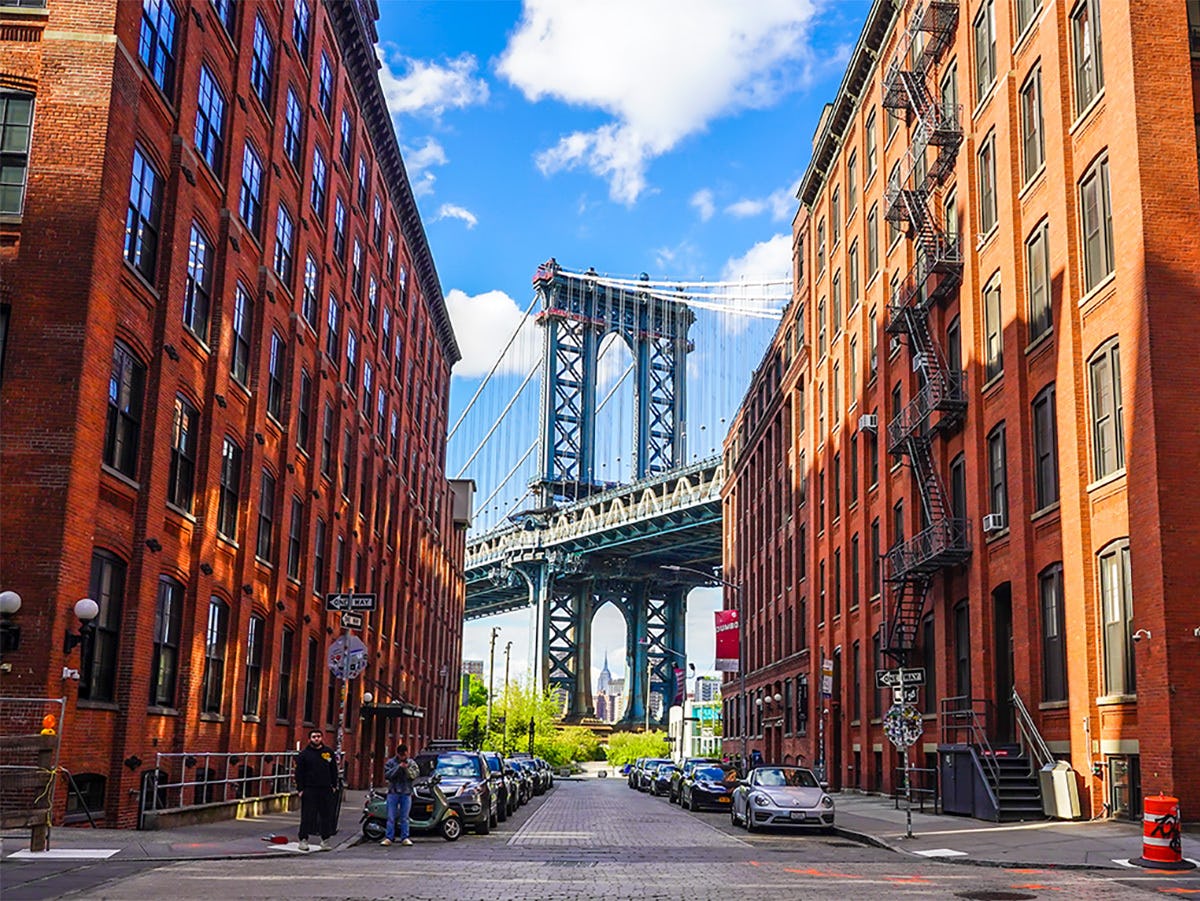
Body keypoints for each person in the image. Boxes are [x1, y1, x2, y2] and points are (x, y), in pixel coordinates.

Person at [295, 729, 339, 851]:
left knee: (326, 815)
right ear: (310, 739)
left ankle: (325, 840)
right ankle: (303, 839)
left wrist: (334, 785)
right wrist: (300, 789)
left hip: (325, 789)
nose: (316, 739)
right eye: (314, 737)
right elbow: (299, 773)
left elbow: (333, 769)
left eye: (319, 736)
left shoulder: (328, 753)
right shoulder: (304, 754)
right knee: (308, 815)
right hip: (310, 789)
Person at [381, 742, 417, 847]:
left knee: (405, 817)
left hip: (406, 792)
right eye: (402, 755)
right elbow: (388, 775)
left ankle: (405, 837)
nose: (404, 757)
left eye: (405, 755)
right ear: (398, 754)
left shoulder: (411, 763)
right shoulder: (390, 763)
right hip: (393, 792)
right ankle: (389, 837)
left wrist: (405, 769)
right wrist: (398, 768)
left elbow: (413, 776)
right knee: (391, 817)